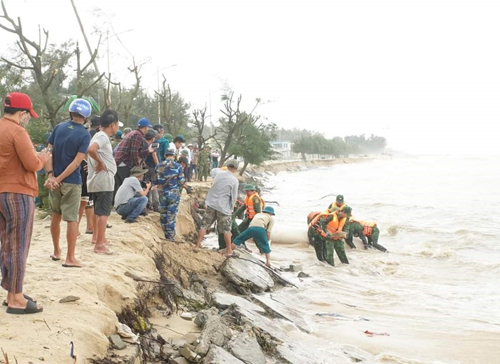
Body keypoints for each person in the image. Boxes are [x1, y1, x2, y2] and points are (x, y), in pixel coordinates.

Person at [0, 92, 49, 314]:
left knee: (8, 244)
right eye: (28, 114)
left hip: (2, 192)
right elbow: (31, 164)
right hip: (18, 193)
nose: (28, 118)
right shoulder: (18, 131)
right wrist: (43, 158)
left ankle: (12, 292)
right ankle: (16, 298)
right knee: (19, 244)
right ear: (22, 113)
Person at [45, 98, 92, 268]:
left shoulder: (58, 128)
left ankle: (57, 251)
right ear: (86, 116)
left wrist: (51, 176)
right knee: (72, 219)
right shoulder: (85, 134)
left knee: (55, 215)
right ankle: (70, 257)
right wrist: (60, 178)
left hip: (54, 181)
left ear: (71, 112)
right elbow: (76, 162)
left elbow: (48, 153)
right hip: (71, 181)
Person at [87, 109, 120, 254]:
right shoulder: (103, 137)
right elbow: (91, 149)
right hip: (103, 180)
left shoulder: (96, 135)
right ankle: (99, 244)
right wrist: (100, 163)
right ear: (113, 125)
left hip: (96, 180)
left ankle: (98, 238)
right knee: (104, 213)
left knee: (98, 210)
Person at [194, 159, 239, 256]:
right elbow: (234, 197)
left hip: (211, 203)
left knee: (204, 226)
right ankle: (229, 251)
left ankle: (197, 246)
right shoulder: (234, 180)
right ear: (235, 169)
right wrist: (231, 208)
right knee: (226, 230)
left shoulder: (218, 174)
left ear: (227, 166)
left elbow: (213, 172)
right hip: (223, 207)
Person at [114, 118, 155, 198]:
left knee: (123, 187)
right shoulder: (137, 135)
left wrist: (147, 151)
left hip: (120, 163)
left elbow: (135, 152)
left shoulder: (133, 133)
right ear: (145, 127)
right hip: (125, 164)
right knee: (129, 188)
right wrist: (137, 167)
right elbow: (134, 153)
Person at [155, 149, 185, 240]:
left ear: (165, 155)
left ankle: (164, 234)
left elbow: (156, 180)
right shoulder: (178, 166)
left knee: (163, 214)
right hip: (173, 193)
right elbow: (181, 181)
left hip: (162, 193)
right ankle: (170, 237)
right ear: (174, 156)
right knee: (171, 215)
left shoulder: (158, 166)